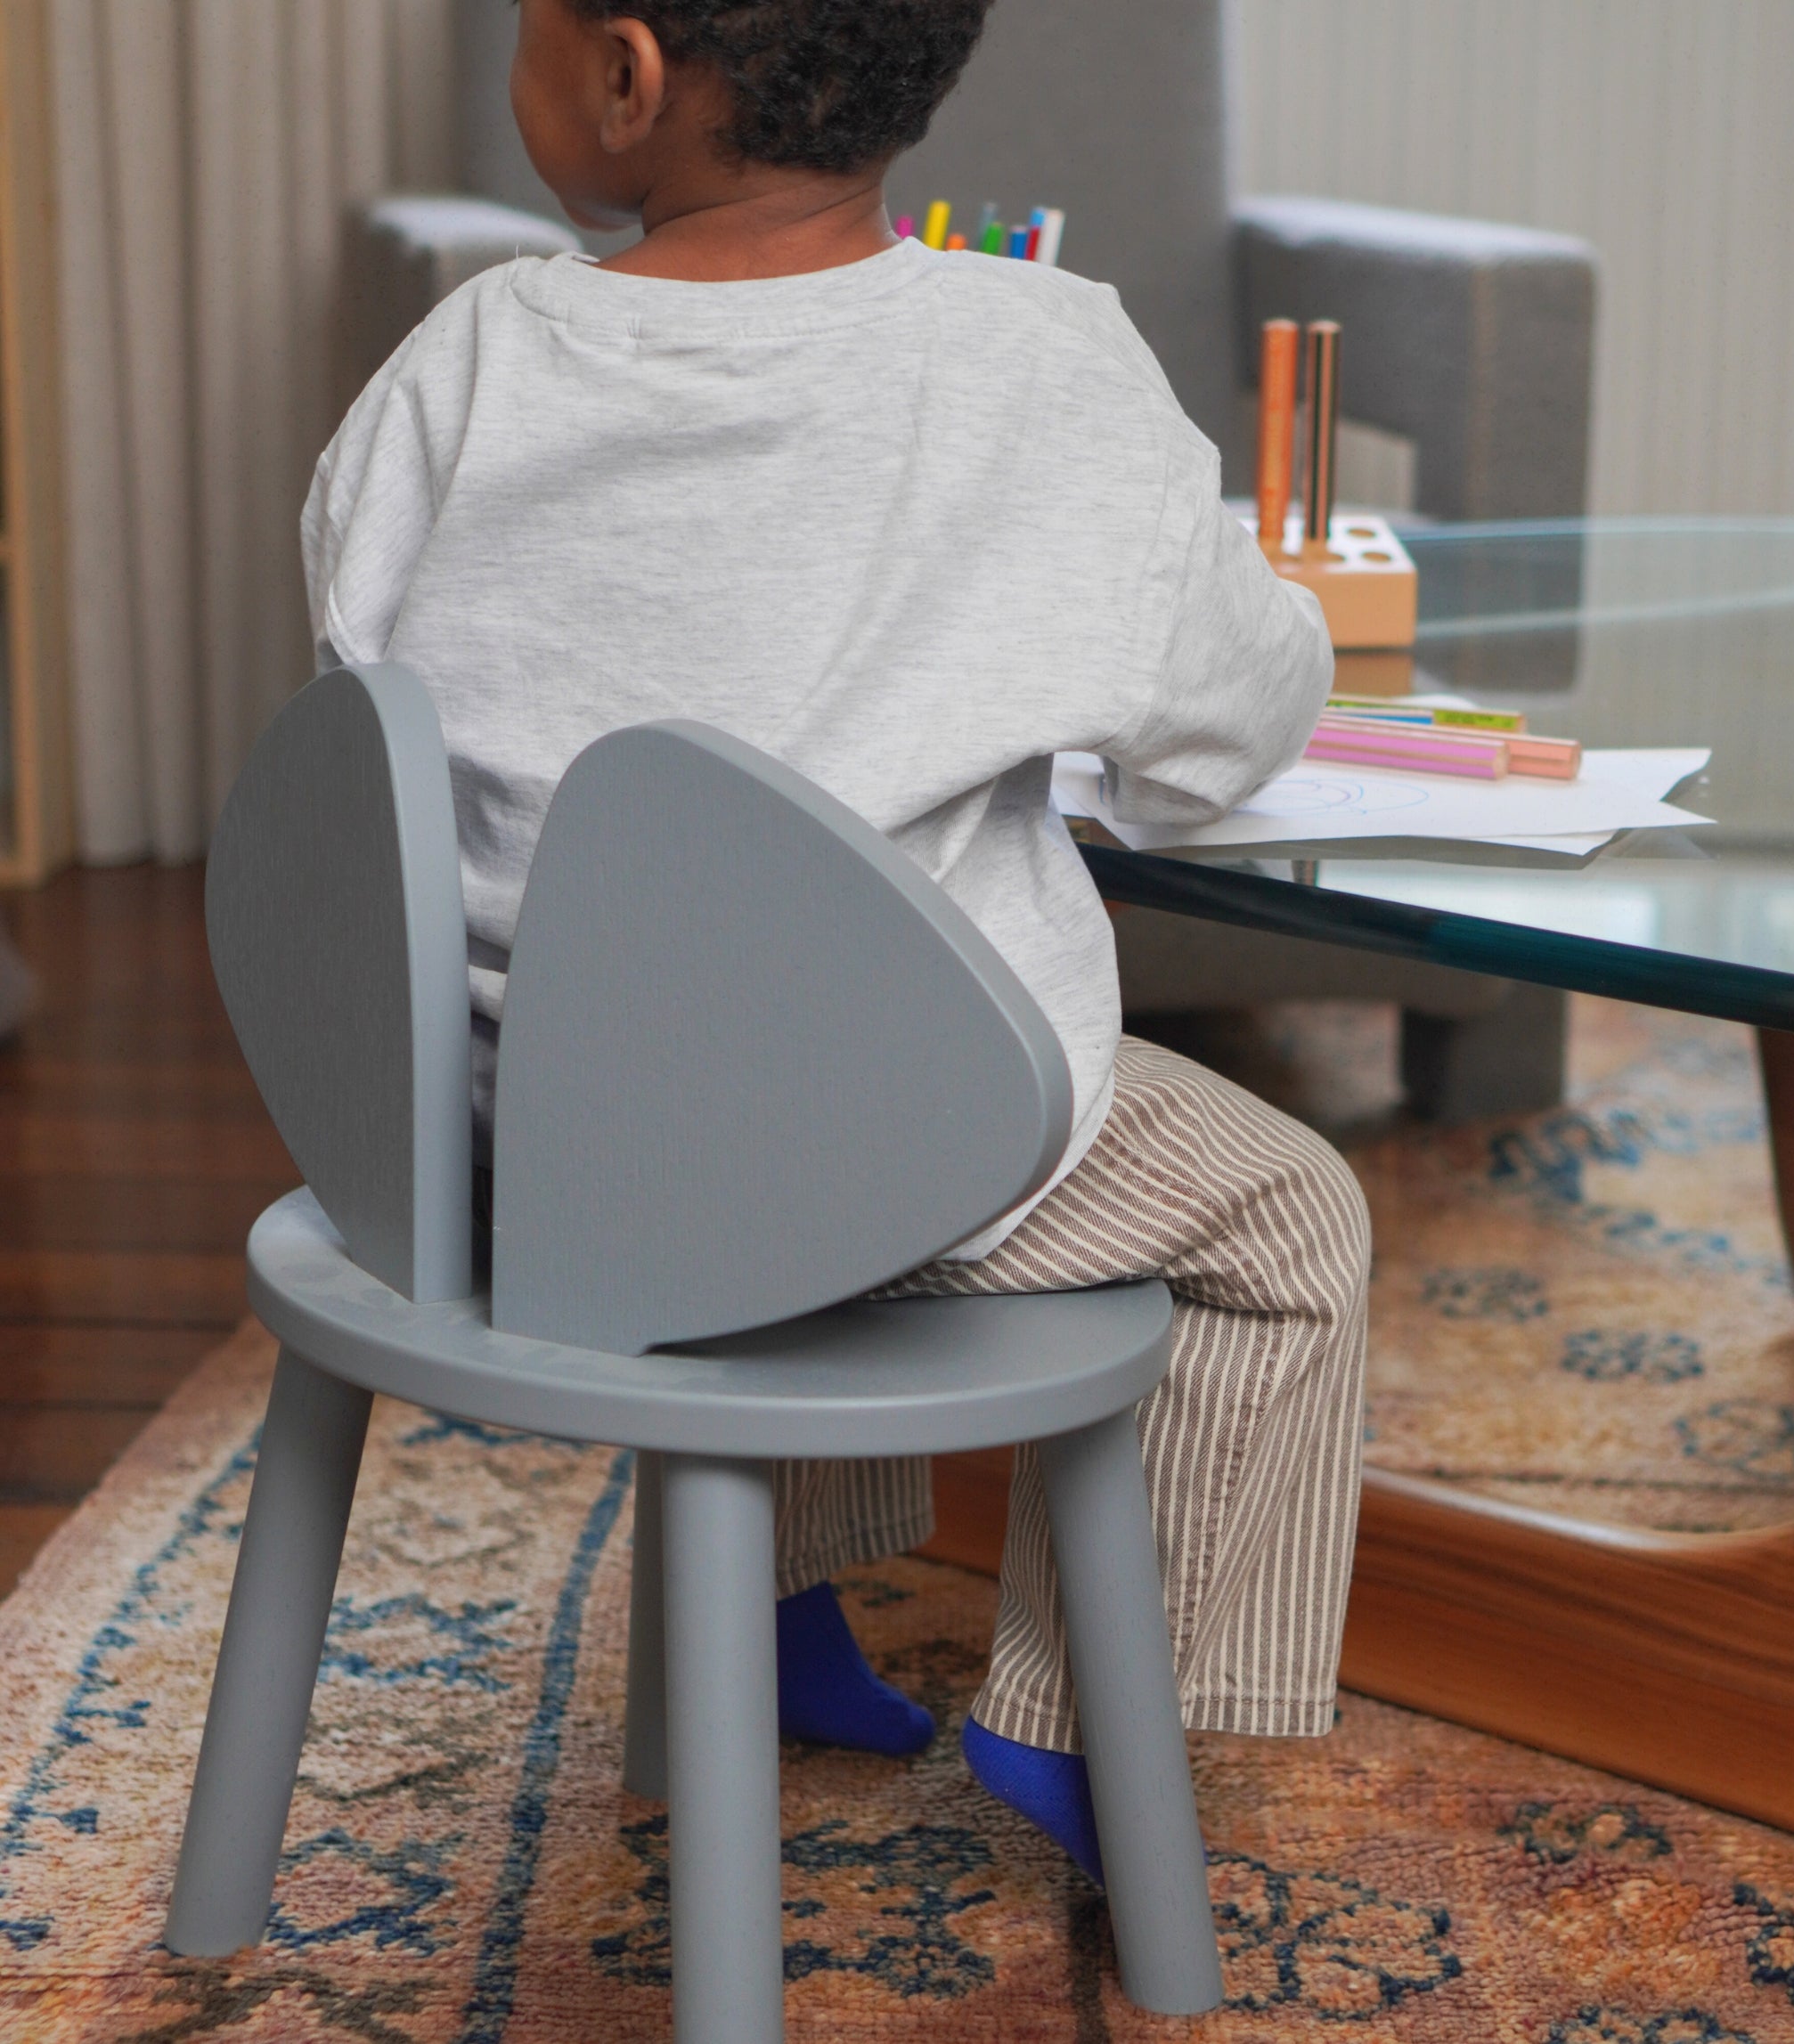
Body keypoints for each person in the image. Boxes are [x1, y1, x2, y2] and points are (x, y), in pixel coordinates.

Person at [303, 0, 1368, 1885]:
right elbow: (1221, 741)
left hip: (499, 1126)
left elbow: (349, 688)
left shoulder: (464, 357)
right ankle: (1074, 1716)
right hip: (878, 1153)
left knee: (759, 1052)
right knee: (1285, 1219)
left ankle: (778, 1619)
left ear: (626, 79)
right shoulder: (1041, 360)